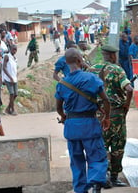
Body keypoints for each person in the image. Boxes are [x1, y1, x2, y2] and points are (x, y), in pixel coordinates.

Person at [55, 48, 110, 193]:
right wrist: (107, 117)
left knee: (77, 161)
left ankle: (80, 189)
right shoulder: (91, 78)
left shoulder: (62, 83)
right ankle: (96, 183)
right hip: (89, 124)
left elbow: (59, 108)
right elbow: (106, 100)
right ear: (80, 61)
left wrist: (64, 117)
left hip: (72, 127)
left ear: (66, 63)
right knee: (96, 156)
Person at [88, 44, 133, 188]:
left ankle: (102, 176)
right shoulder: (117, 69)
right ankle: (114, 177)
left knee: (100, 145)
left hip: (97, 113)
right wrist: (126, 105)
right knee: (117, 146)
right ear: (113, 55)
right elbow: (129, 88)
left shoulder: (91, 69)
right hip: (115, 114)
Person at [2, 44, 18, 115]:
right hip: (8, 79)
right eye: (13, 49)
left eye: (15, 49)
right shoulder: (7, 56)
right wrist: (10, 77)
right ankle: (12, 109)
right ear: (10, 49)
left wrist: (15, 76)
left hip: (14, 78)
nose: (14, 51)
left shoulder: (14, 58)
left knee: (16, 94)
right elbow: (4, 68)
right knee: (11, 93)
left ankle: (8, 108)